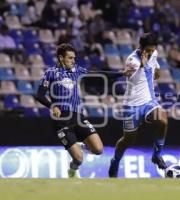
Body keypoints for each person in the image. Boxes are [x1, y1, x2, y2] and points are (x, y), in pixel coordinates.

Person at [36, 43, 131, 178]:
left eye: (74, 58)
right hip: (62, 120)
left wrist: (121, 73)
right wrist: (53, 106)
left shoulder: (77, 70)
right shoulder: (50, 73)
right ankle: (73, 170)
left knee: (98, 149)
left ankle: (81, 145)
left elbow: (98, 74)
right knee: (78, 159)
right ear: (61, 58)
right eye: (70, 58)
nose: (73, 61)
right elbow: (39, 95)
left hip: (78, 117)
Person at [108, 33, 169, 177]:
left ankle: (157, 155)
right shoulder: (132, 60)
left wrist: (157, 70)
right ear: (141, 48)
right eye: (147, 50)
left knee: (163, 120)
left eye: (152, 50)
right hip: (132, 105)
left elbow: (155, 65)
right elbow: (132, 79)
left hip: (149, 101)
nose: (150, 53)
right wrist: (141, 65)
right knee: (128, 139)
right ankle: (115, 161)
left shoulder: (153, 53)